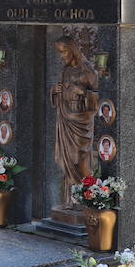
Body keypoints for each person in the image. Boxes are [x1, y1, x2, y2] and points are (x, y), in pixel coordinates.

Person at [49, 36, 100, 208]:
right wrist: (55, 91)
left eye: (64, 51)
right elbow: (59, 92)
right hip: (65, 119)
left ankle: (86, 198)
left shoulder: (87, 70)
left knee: (79, 159)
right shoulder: (65, 70)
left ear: (72, 50)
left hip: (81, 122)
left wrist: (82, 93)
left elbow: (97, 97)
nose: (61, 56)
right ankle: (71, 201)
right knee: (66, 160)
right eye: (59, 52)